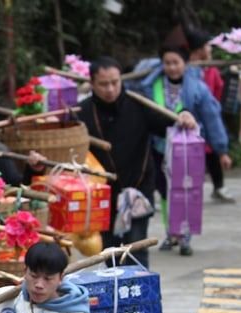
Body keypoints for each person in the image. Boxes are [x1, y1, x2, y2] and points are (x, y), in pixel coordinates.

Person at [78, 56, 198, 268]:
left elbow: (168, 121)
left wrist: (184, 114)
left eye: (115, 82)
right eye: (103, 84)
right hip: (103, 195)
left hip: (138, 191)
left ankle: (143, 300)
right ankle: (119, 299)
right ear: (92, 84)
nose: (110, 89)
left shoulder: (138, 103)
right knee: (111, 255)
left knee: (135, 253)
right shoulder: (83, 112)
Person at [139, 42, 231, 256]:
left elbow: (212, 118)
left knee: (186, 191)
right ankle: (171, 232)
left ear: (186, 63)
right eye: (167, 63)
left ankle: (185, 234)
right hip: (160, 148)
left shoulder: (198, 88)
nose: (172, 67)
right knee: (164, 192)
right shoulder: (150, 85)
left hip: (188, 152)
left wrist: (221, 150)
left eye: (176, 62)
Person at [186, 28, 236, 203]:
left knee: (211, 153)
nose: (210, 50)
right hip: (189, 124)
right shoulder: (185, 70)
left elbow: (217, 94)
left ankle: (218, 186)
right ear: (198, 49)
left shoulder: (210, 70)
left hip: (207, 122)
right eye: (208, 46)